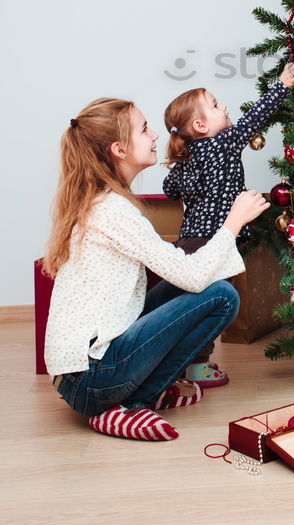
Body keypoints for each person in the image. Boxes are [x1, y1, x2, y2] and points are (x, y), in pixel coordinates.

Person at [43, 97, 270, 442]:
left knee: (195, 287)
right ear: (119, 149)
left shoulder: (104, 202)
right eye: (145, 129)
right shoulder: (114, 212)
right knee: (222, 295)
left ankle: (135, 396)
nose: (154, 137)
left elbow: (186, 276)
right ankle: (132, 403)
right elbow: (194, 275)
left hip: (84, 372)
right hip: (91, 381)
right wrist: (233, 222)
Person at [161, 63, 294, 386]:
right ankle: (196, 365)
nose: (224, 107)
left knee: (193, 305)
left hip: (188, 244)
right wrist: (282, 85)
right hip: (216, 244)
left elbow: (169, 189)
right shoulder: (222, 144)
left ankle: (182, 359)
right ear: (200, 124)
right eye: (215, 105)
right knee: (215, 306)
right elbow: (255, 118)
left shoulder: (188, 159)